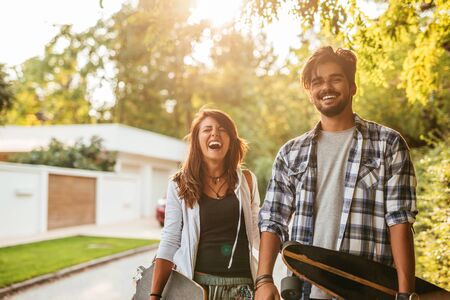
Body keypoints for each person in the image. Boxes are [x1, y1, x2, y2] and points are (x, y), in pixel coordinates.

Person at [255, 46, 418, 300]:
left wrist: (406, 294)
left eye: (336, 79)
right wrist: (264, 280)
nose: (326, 87)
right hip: (304, 290)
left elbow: (399, 220)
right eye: (317, 82)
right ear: (310, 92)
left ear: (352, 86)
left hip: (366, 290)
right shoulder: (290, 153)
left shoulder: (388, 144)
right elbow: (273, 219)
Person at [150, 108, 260, 300]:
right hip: (198, 289)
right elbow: (170, 239)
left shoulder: (248, 181)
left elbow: (259, 233)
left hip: (243, 288)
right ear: (197, 140)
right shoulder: (179, 183)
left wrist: (266, 279)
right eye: (207, 129)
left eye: (222, 129)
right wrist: (154, 295)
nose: (215, 133)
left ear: (231, 139)